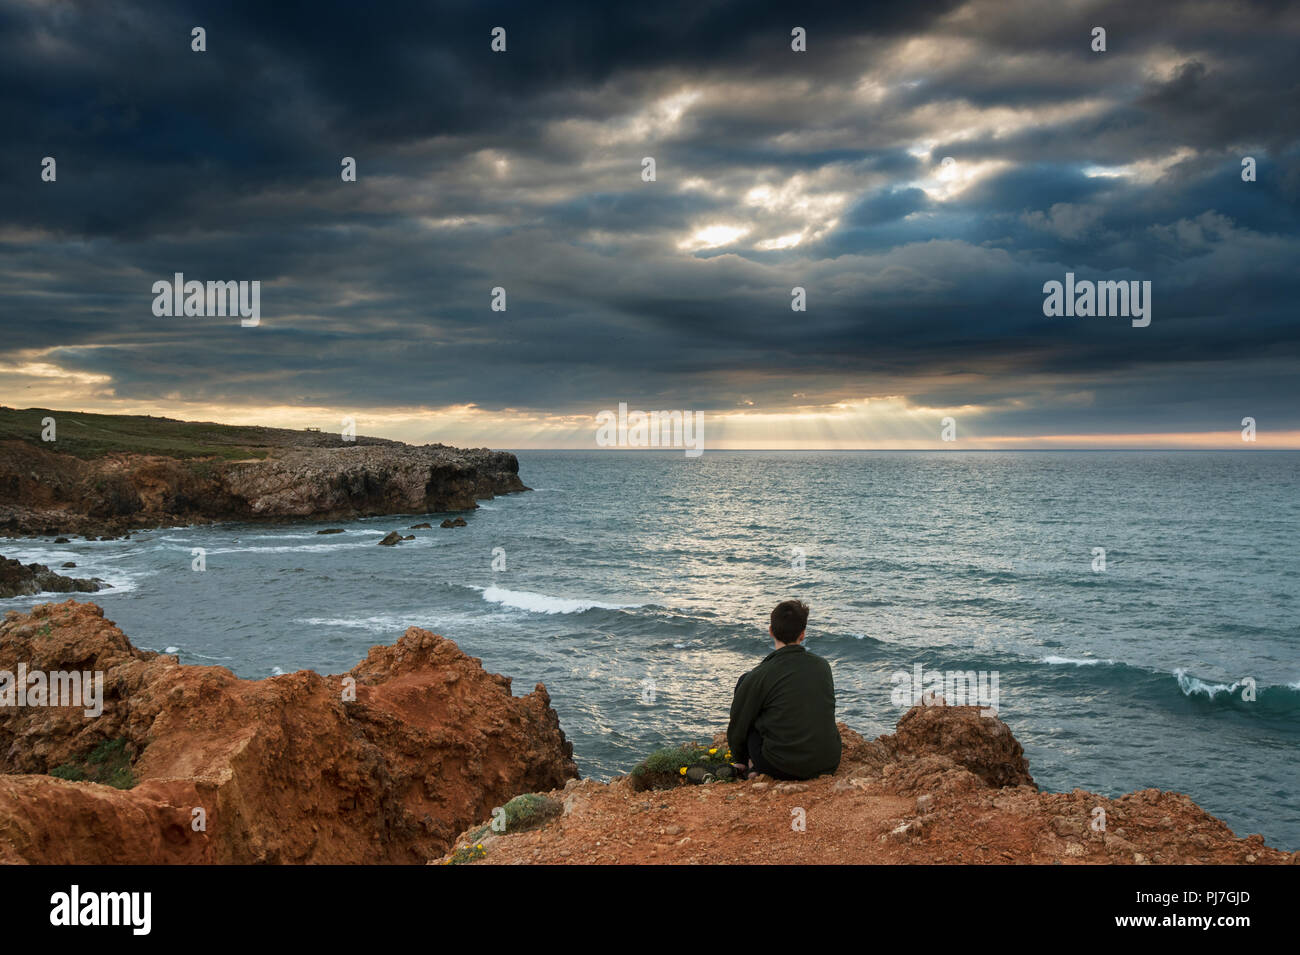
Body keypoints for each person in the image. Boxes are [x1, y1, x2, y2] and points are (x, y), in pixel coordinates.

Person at [727, 599, 840, 780]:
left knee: (746, 689)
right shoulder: (823, 666)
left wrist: (740, 755)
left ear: (771, 631)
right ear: (802, 634)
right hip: (828, 763)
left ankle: (747, 764)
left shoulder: (759, 675)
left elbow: (738, 727)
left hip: (780, 767)